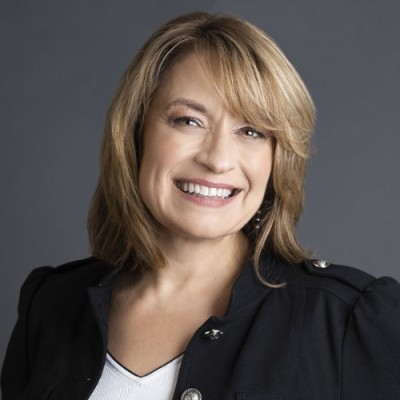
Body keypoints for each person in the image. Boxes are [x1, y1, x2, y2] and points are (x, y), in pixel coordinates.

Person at [2, 11, 400, 400]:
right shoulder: (51, 305)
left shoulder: (348, 319)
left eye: (251, 131)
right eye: (189, 121)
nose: (218, 159)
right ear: (136, 133)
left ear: (278, 158)